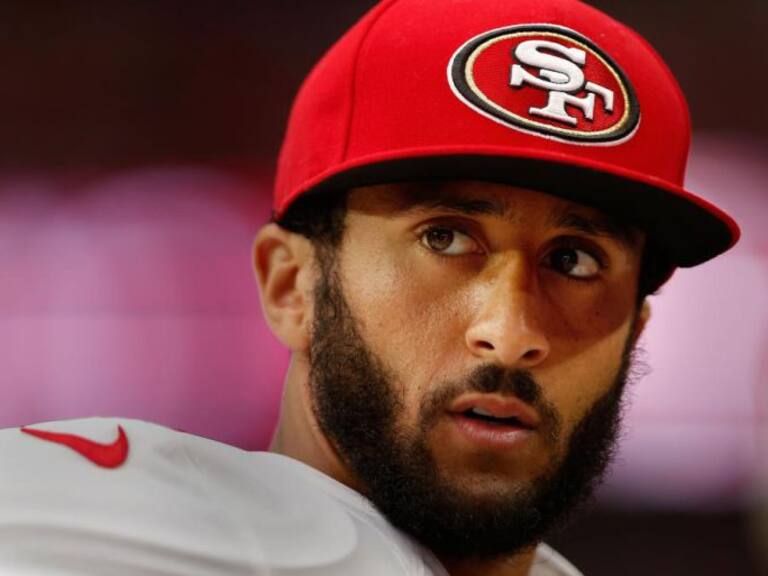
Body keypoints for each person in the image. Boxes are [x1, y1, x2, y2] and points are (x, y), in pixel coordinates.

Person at [0, 0, 740, 575]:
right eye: (445, 238)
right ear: (291, 286)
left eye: (574, 260)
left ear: (636, 330)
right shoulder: (119, 522)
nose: (511, 332)